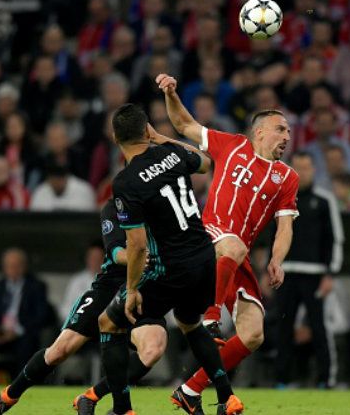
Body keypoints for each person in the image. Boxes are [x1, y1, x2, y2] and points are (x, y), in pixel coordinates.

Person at [81, 105, 242, 415]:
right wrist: (163, 138)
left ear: (115, 137)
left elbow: (138, 246)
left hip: (172, 266)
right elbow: (207, 164)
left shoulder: (126, 182)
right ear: (147, 131)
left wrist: (131, 289)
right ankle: (227, 398)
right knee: (190, 323)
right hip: (205, 257)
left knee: (108, 323)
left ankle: (121, 409)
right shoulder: (172, 153)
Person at [156, 73, 299, 414]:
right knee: (233, 247)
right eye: (281, 129)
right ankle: (209, 317)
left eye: (289, 132)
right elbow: (184, 124)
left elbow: (284, 228)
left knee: (253, 334)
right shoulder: (231, 144)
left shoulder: (287, 177)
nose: (287, 136)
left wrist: (277, 260)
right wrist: (171, 92)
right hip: (209, 235)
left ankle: (190, 390)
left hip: (237, 254)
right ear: (259, 130)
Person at [0, 202, 153, 415]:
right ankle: (7, 397)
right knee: (59, 351)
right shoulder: (113, 206)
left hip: (141, 291)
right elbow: (116, 252)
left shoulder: (159, 202)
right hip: (107, 289)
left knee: (152, 350)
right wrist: (138, 257)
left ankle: (96, 398)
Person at [274, 152, 344, 388]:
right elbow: (267, 234)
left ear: (314, 170)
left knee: (319, 326)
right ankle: (282, 380)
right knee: (283, 327)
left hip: (315, 274)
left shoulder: (324, 201)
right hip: (285, 273)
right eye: (298, 167)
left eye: (306, 167)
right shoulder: (280, 198)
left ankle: (326, 379)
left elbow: (335, 238)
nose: (302, 172)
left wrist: (330, 273)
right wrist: (269, 267)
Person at [0, 248, 50, 378]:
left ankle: (20, 384)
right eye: (8, 266)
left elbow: (41, 316)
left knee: (26, 344)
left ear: (24, 266)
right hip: (1, 331)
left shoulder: (36, 286)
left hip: (23, 333)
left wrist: (17, 331)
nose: (12, 269)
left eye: (16, 266)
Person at [29, 163, 96, 212]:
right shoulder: (40, 192)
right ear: (49, 179)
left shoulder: (83, 190)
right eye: (54, 178)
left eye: (59, 178)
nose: (57, 182)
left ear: (66, 177)